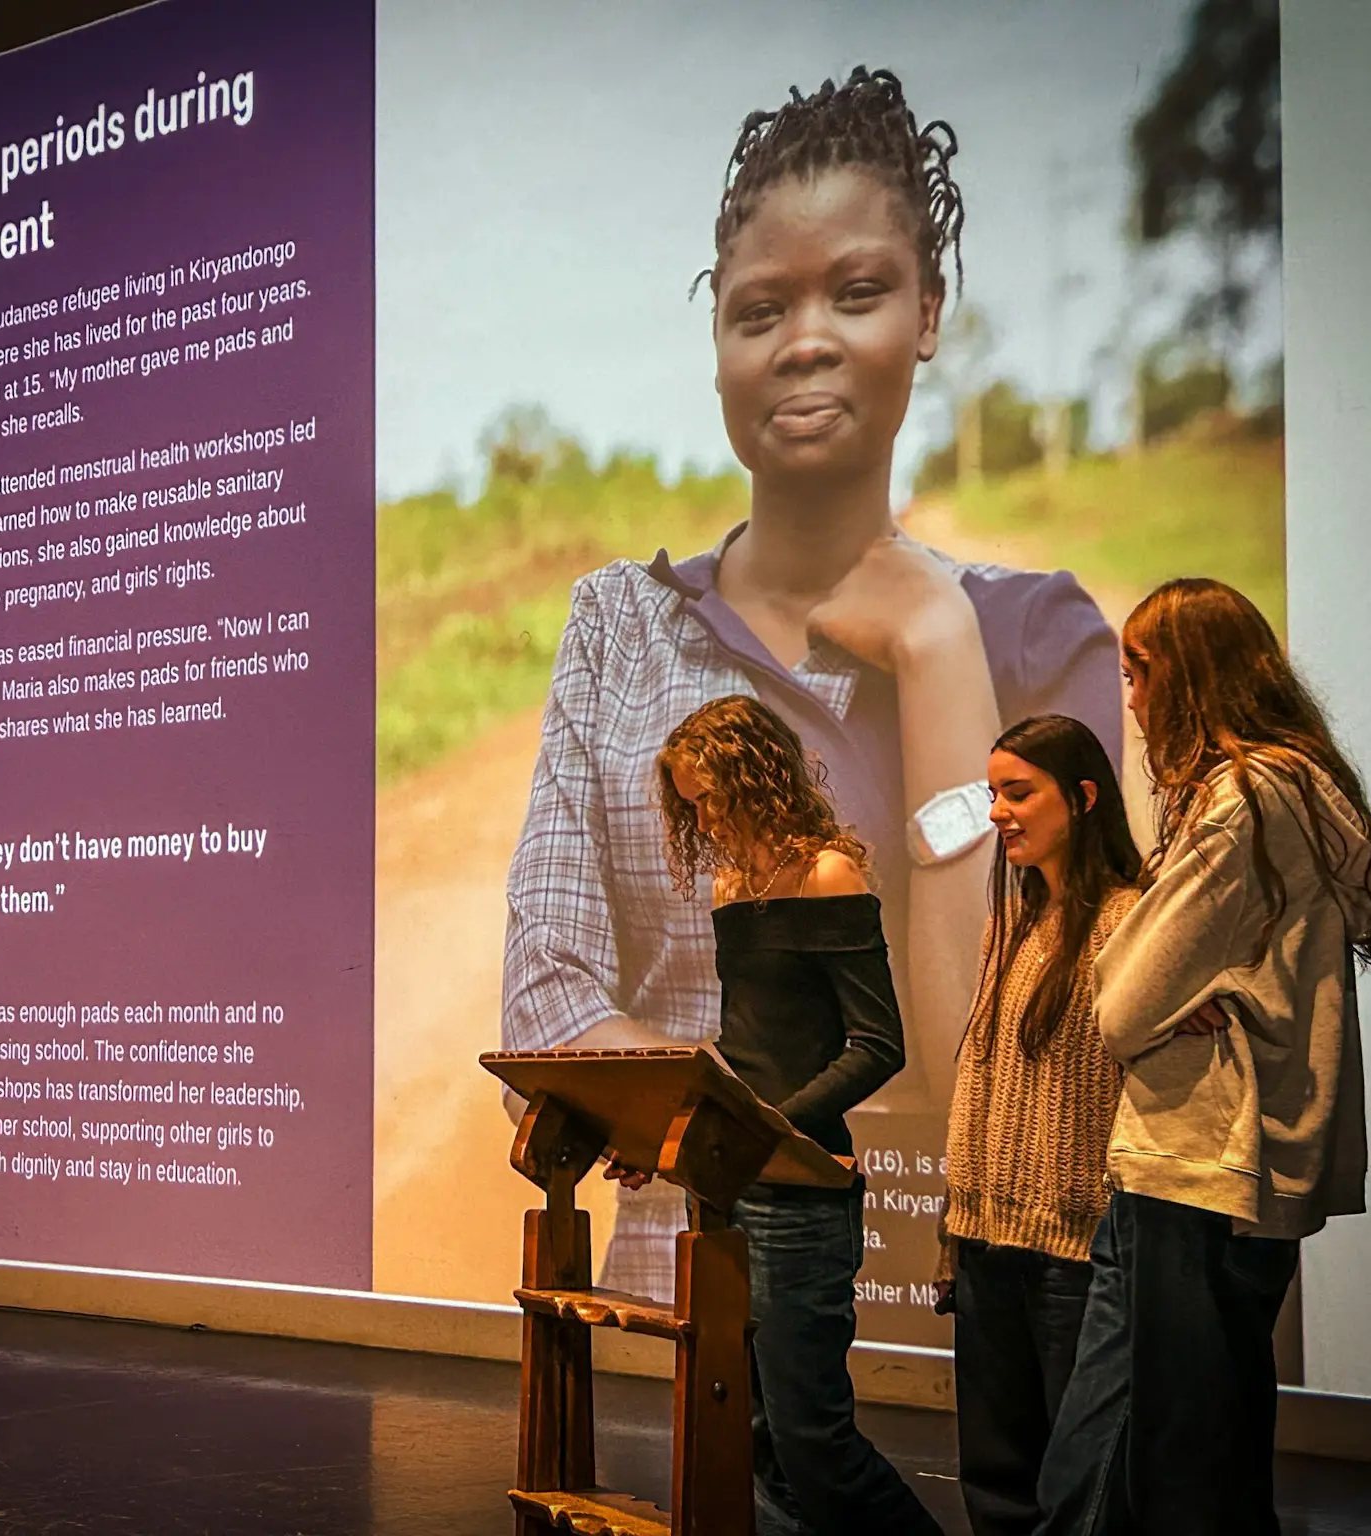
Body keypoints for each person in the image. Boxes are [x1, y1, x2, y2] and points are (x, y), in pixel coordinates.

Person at [502, 66, 1120, 1302]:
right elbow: (544, 998)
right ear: (717, 347)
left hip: (960, 1293)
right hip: (674, 1273)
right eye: (759, 308)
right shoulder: (622, 625)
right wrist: (754, 1130)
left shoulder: (1032, 637)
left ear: (926, 312)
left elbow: (1001, 1054)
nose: (805, 340)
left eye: (857, 290)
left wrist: (937, 653)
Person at [1035, 578, 1371, 1535]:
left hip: (1200, 1159)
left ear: (1190, 678)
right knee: (1145, 1440)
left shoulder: (1242, 798)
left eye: (1140, 674)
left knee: (1179, 1460)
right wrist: (1203, 979)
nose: (1132, 699)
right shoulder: (1303, 786)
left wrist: (1180, 987)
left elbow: (1123, 1005)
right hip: (1216, 1161)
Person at [640, 695, 940, 1534]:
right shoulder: (731, 886)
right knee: (757, 1436)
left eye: (709, 799)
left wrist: (771, 1127)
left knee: (813, 1439)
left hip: (803, 1197)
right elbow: (748, 1047)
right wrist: (679, 1124)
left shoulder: (829, 876)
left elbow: (878, 1043)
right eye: (690, 805)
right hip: (732, 1188)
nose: (703, 821)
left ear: (756, 776)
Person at [934, 715, 1140, 1535]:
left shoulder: (1128, 921)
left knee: (1077, 1481)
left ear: (1083, 797)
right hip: (986, 1237)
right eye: (993, 794)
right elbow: (982, 1077)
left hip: (1074, 1249)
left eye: (1018, 793)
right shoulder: (1011, 921)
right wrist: (955, 1219)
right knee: (996, 1478)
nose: (997, 813)